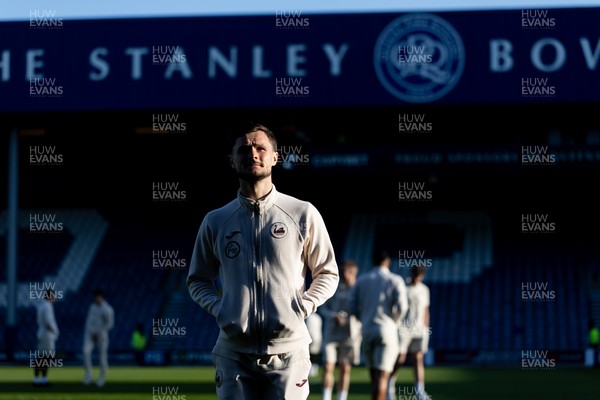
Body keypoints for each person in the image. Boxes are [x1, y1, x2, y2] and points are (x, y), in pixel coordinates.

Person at [186, 121, 340, 400]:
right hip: (233, 352)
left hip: (289, 351)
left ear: (275, 157)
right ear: (232, 160)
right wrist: (221, 309)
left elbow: (327, 273)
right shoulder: (216, 221)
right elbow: (197, 279)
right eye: (244, 149)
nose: (252, 153)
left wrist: (303, 306)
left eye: (260, 147)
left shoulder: (302, 213)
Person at [349, 249, 408, 400]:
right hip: (386, 330)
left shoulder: (362, 280)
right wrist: (393, 320)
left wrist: (363, 318)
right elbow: (402, 307)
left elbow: (351, 305)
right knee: (383, 377)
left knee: (374, 377)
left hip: (367, 330)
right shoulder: (395, 280)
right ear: (388, 262)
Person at [321, 259, 362, 400]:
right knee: (328, 366)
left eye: (349, 272)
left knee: (345, 368)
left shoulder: (359, 289)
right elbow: (322, 308)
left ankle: (341, 397)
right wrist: (334, 316)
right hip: (331, 333)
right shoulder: (333, 287)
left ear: (354, 272)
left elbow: (362, 310)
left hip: (350, 334)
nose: (346, 275)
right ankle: (326, 397)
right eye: (344, 271)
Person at [388, 265, 431, 400]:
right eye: (415, 274)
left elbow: (425, 310)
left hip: (419, 330)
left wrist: (425, 327)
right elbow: (396, 307)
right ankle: (389, 385)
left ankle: (419, 391)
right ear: (412, 274)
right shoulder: (404, 288)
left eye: (419, 275)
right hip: (404, 328)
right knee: (400, 358)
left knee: (418, 359)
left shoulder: (424, 289)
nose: (417, 278)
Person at [82, 289, 114, 387]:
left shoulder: (107, 309)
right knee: (85, 352)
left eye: (98, 297)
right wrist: (88, 332)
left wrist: (100, 331)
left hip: (101, 336)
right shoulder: (92, 307)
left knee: (102, 357)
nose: (96, 299)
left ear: (101, 297)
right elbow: (88, 321)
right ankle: (89, 376)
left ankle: (101, 378)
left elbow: (110, 325)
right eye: (95, 297)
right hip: (90, 335)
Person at [34, 290, 60, 387]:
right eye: (53, 296)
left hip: (41, 332)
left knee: (40, 357)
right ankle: (43, 380)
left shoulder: (41, 305)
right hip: (47, 334)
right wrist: (54, 331)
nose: (54, 299)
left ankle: (37, 379)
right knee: (46, 358)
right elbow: (48, 322)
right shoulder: (48, 306)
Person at [306, 311, 323, 377]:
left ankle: (313, 369)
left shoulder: (311, 317)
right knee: (313, 354)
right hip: (316, 338)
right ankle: (313, 369)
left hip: (313, 338)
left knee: (313, 354)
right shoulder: (317, 317)